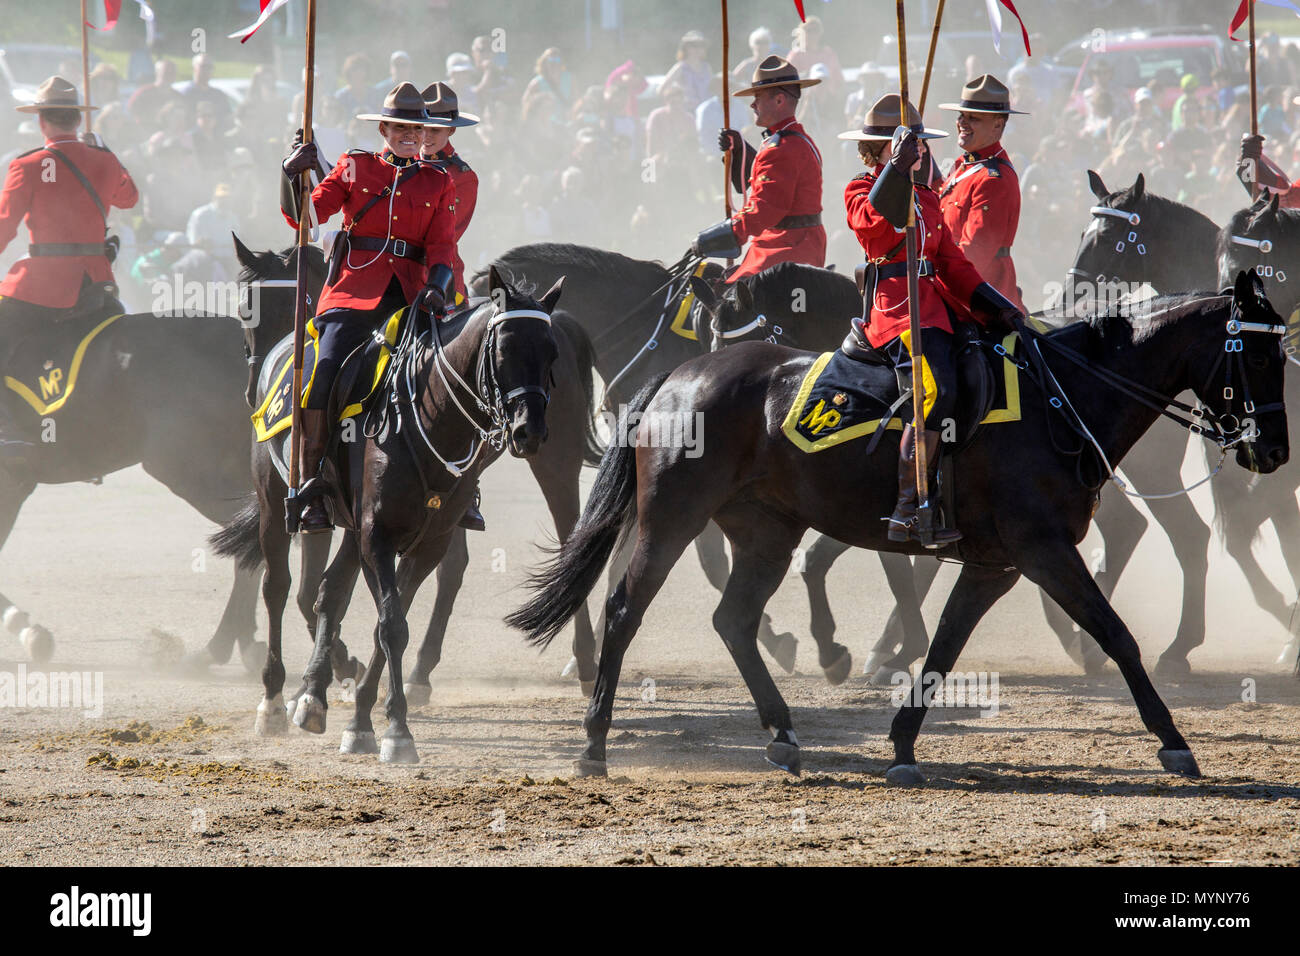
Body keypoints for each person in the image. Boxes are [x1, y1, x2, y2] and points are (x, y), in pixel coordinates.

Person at [838, 93, 1021, 546]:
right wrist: (896, 173)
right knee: (936, 388)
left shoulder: (925, 196)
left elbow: (951, 262)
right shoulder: (861, 189)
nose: (921, 149)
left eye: (919, 143)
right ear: (883, 149)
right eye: (910, 143)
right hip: (896, 312)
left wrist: (994, 302)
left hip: (933, 309)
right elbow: (873, 230)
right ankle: (910, 507)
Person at [279, 83, 457, 532]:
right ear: (383, 128)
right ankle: (312, 484)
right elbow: (307, 219)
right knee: (324, 375)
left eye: (416, 129)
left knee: (455, 374)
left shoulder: (439, 181)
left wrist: (438, 285)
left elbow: (442, 246)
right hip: (354, 294)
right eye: (400, 128)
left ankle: (460, 484)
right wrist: (291, 175)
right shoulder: (356, 167)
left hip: (412, 297)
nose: (410, 136)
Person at [0, 77, 139, 458]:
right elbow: (129, 198)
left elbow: (4, 226)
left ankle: (4, 428)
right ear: (76, 120)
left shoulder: (28, 165)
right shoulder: (103, 160)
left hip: (41, 288)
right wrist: (107, 154)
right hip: (96, 283)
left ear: (41, 121)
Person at [692, 56, 826, 282]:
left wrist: (725, 234)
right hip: (791, 242)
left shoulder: (781, 147)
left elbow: (766, 208)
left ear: (779, 100)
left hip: (786, 248)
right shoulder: (791, 140)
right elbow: (764, 181)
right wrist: (740, 151)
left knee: (725, 303)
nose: (752, 105)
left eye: (757, 98)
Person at [935, 75, 1027, 313]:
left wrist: (929, 280)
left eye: (973, 118)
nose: (962, 123)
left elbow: (972, 257)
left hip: (978, 304)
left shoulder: (993, 179)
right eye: (961, 116)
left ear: (998, 124)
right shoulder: (962, 166)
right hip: (951, 287)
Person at [663, 30, 712, 113]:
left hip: (707, 111)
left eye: (701, 45)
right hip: (688, 112)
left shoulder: (706, 67)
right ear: (686, 48)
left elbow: (713, 88)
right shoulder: (681, 67)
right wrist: (675, 102)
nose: (697, 49)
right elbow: (662, 89)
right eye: (693, 45)